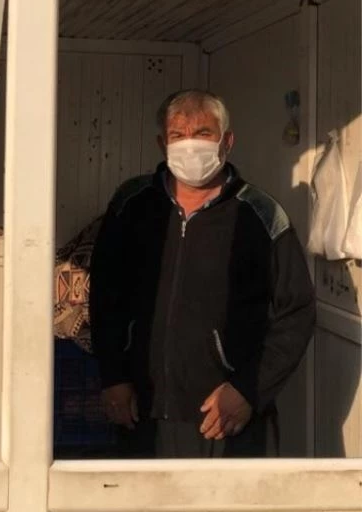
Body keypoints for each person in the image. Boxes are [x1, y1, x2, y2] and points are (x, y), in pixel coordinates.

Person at [89, 89, 315, 458]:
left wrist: (248, 390)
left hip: (227, 417)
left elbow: (297, 312)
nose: (190, 145)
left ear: (227, 141)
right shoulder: (132, 205)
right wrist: (113, 376)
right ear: (162, 144)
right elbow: (105, 294)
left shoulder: (260, 214)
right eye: (178, 135)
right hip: (140, 412)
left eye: (203, 133)